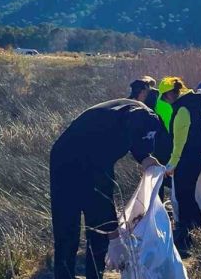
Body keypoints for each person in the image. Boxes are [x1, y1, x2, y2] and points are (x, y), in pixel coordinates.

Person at [49, 99, 162, 279]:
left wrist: (145, 158)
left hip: (87, 157)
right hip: (66, 162)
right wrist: (115, 238)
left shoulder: (142, 116)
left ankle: (95, 275)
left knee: (98, 230)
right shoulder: (106, 137)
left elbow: (140, 142)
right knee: (68, 230)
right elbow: (103, 193)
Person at [159, 77, 201, 254]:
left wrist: (172, 164)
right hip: (196, 157)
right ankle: (198, 232)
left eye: (164, 97)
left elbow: (179, 141)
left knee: (185, 198)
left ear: (169, 94)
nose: (164, 101)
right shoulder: (193, 104)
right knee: (189, 196)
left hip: (186, 160)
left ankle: (188, 237)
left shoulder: (182, 109)